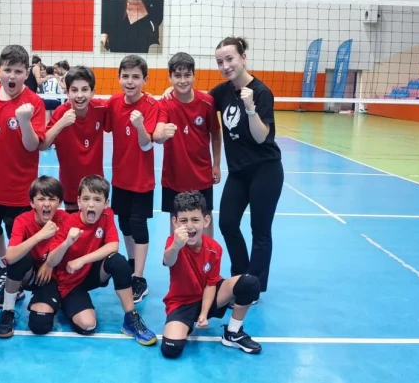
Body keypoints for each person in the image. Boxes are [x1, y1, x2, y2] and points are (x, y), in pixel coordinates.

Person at [46, 175, 157, 345]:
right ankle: (66, 305)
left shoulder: (107, 215)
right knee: (88, 325)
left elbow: (113, 245)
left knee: (118, 262)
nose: (91, 204)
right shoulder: (68, 223)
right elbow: (51, 262)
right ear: (78, 201)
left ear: (106, 203)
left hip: (91, 273)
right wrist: (67, 242)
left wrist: (82, 260)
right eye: (86, 199)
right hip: (70, 282)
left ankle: (131, 318)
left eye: (97, 199)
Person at [211, 37, 284, 297]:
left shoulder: (261, 92)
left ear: (243, 57)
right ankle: (241, 275)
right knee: (227, 223)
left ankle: (253, 286)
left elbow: (262, 136)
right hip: (239, 173)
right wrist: (170, 92)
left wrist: (251, 108)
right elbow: (196, 102)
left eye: (230, 59)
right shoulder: (222, 92)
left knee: (260, 231)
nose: (225, 66)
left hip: (266, 170)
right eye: (220, 62)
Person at [0, 45, 47, 293]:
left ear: (26, 73)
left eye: (18, 71)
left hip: (20, 188)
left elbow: (32, 145)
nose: (12, 76)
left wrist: (24, 120)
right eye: (7, 70)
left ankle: (21, 273)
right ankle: (3, 266)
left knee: (16, 234)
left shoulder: (33, 102)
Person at [160, 191, 262, 358]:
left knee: (249, 283)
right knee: (171, 349)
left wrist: (203, 313)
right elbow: (168, 260)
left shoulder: (214, 248)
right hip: (181, 303)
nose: (190, 226)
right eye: (184, 221)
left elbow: (211, 284)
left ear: (206, 221)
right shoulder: (173, 243)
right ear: (175, 222)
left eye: (195, 220)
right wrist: (176, 246)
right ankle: (184, 324)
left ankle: (233, 332)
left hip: (209, 297)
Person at [104, 54, 159, 302]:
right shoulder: (114, 102)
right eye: (125, 76)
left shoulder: (151, 106)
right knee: (124, 224)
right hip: (120, 178)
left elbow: (147, 145)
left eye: (136, 77)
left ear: (145, 80)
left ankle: (139, 277)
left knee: (138, 225)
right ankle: (132, 262)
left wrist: (139, 126)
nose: (130, 81)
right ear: (118, 78)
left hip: (141, 180)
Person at [153, 52, 222, 237]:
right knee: (177, 222)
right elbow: (158, 134)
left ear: (194, 76)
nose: (182, 80)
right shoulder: (165, 103)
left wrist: (216, 164)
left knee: (205, 219)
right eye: (177, 75)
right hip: (174, 177)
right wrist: (161, 135)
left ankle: (208, 253)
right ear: (170, 77)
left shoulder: (207, 102)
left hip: (202, 176)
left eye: (187, 75)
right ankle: (177, 256)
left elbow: (216, 133)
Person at [0, 176, 68, 338]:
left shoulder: (66, 219)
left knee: (40, 325)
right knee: (19, 259)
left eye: (52, 199)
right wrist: (40, 235)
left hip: (52, 277)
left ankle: (58, 300)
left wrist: (49, 264)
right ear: (32, 203)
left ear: (60, 203)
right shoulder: (22, 220)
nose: (46, 204)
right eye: (41, 199)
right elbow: (10, 257)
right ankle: (7, 310)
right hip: (30, 275)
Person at [40, 66, 107, 214]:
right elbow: (43, 145)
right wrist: (61, 123)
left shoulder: (101, 108)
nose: (80, 95)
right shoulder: (60, 113)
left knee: (95, 223)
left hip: (96, 184)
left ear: (93, 92)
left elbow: (122, 104)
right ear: (67, 92)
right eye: (74, 90)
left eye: (85, 89)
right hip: (70, 185)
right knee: (72, 224)